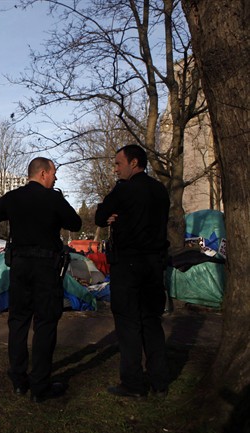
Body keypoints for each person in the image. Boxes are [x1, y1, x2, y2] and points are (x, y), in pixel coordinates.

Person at [0, 157, 82, 403]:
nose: (55, 178)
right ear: (44, 173)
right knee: (45, 323)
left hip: (20, 267)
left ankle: (18, 379)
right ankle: (40, 385)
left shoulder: (14, 197)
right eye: (54, 174)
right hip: (47, 267)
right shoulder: (53, 198)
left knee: (18, 322)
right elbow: (75, 224)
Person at [94, 144, 170, 399]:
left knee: (127, 324)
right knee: (151, 322)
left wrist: (113, 216)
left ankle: (133, 383)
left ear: (134, 163)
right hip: (154, 264)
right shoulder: (160, 190)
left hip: (128, 264)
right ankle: (160, 380)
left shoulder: (124, 189)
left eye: (118, 163)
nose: (115, 169)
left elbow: (100, 215)